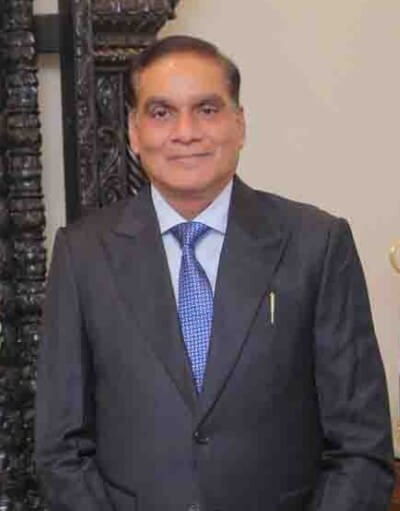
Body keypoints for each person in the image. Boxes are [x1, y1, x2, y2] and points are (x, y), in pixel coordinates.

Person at [35, 35, 394, 511]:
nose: (186, 132)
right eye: (161, 112)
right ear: (134, 132)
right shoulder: (83, 254)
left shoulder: (317, 244)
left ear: (239, 124)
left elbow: (361, 447)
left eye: (207, 109)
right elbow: (61, 450)